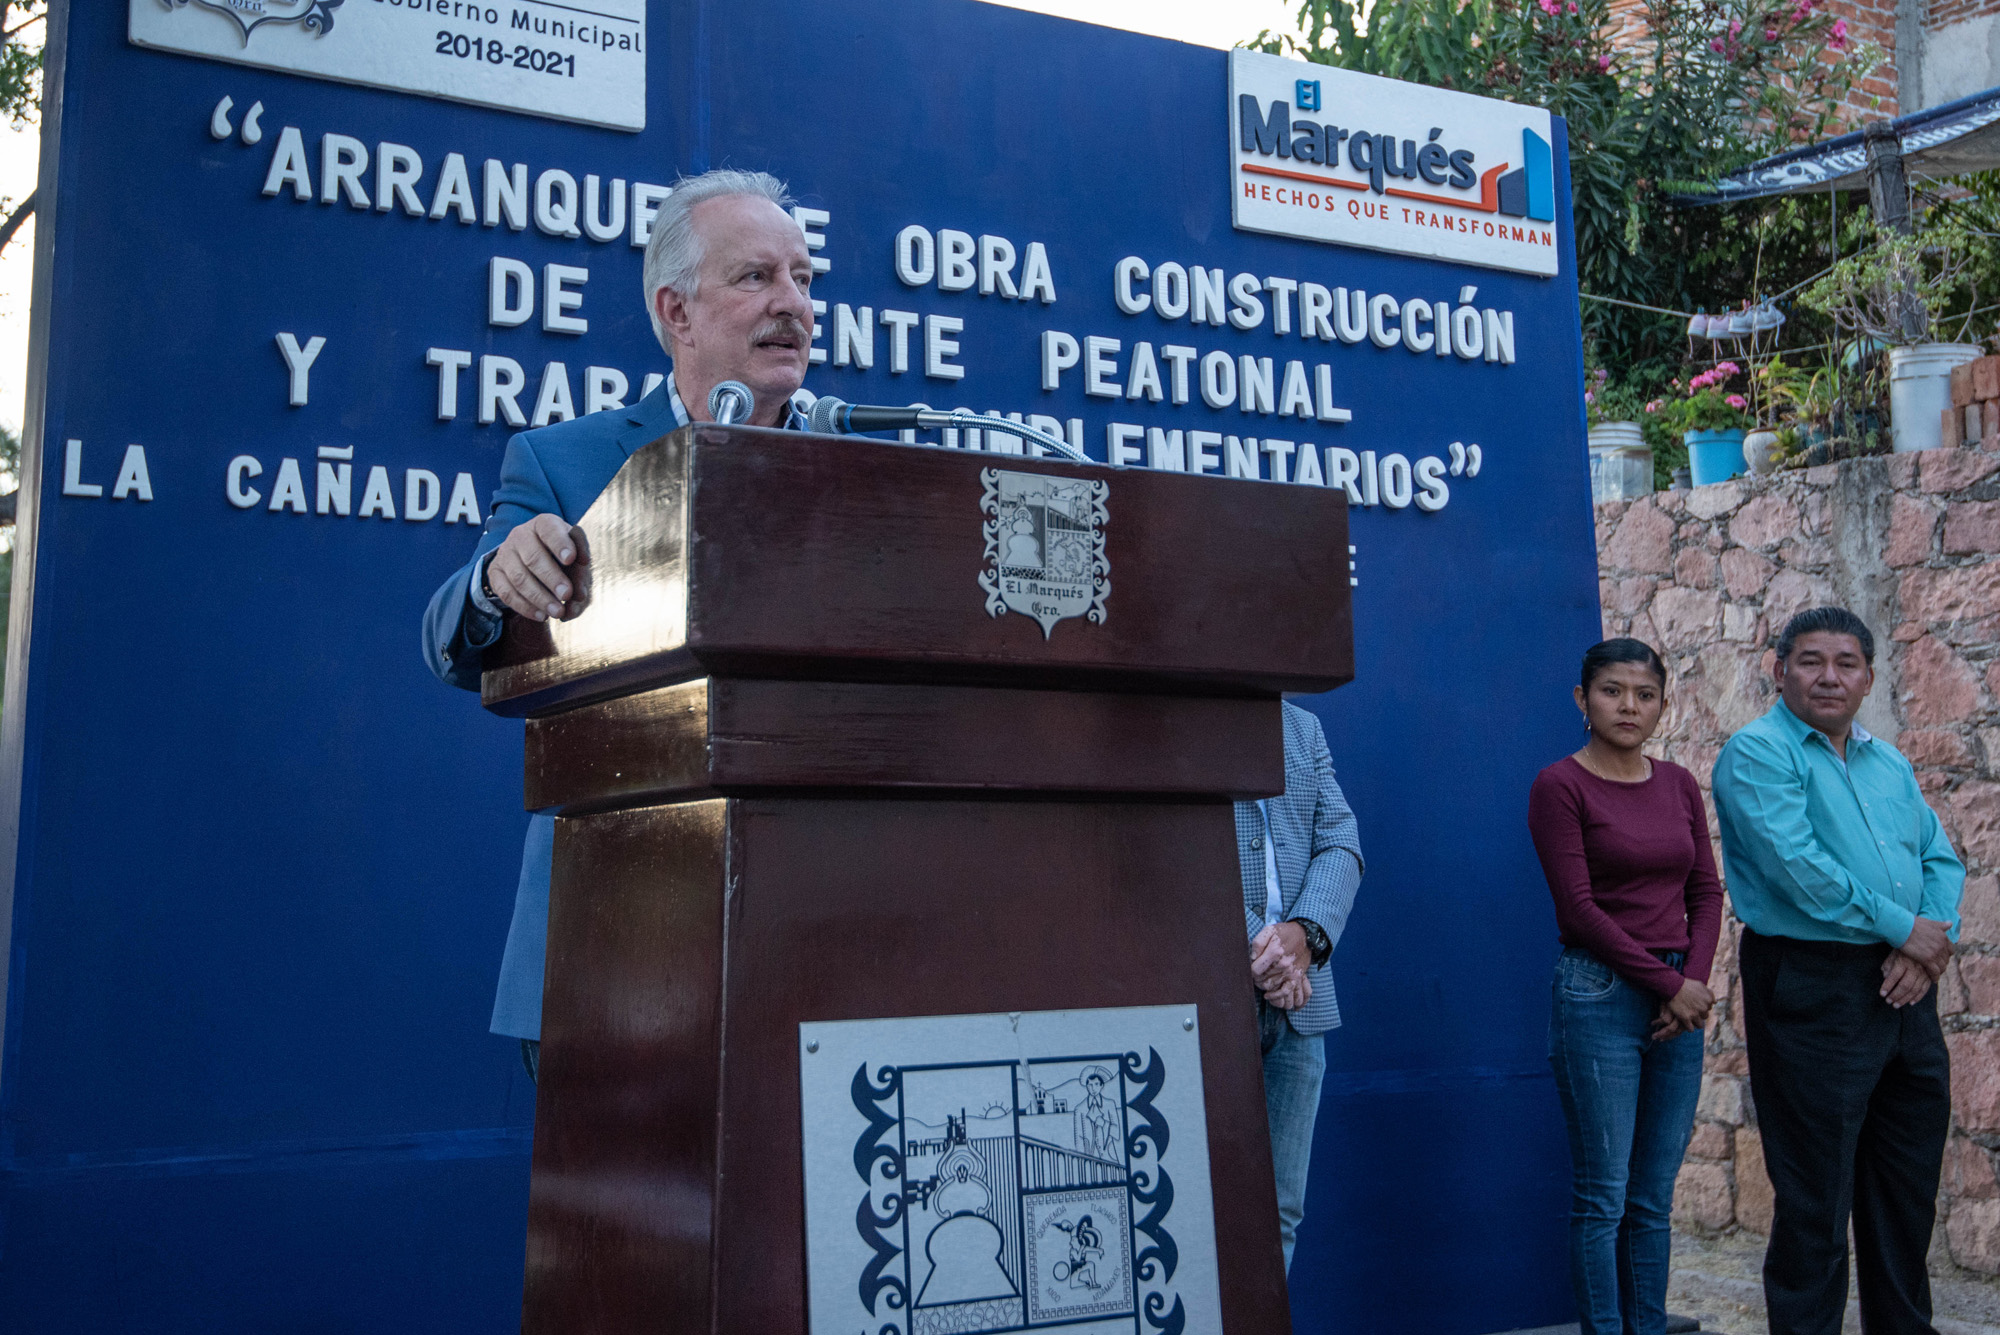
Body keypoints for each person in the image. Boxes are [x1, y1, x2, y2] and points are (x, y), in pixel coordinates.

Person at [420, 168, 818, 1078]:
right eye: (757, 277)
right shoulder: (565, 462)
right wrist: (496, 577)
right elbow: (449, 635)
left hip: (815, 936)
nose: (792, 302)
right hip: (612, 943)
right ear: (676, 311)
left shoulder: (864, 467)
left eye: (803, 277)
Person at [1712, 607, 1965, 1335]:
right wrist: (1905, 931)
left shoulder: (1890, 762)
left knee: (1904, 1189)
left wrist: (1925, 941)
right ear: (1780, 667)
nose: (1830, 676)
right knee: (1814, 1198)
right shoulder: (1757, 753)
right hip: (1810, 981)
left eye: (1846, 662)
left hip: (1904, 984)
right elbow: (1799, 873)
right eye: (1812, 660)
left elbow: (1941, 858)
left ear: (1869, 677)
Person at [1528, 638, 1724, 1335]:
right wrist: (1670, 982)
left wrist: (1691, 980)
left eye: (1644, 693)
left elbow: (1706, 886)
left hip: (1676, 993)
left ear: (1662, 704)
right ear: (1583, 700)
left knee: (1652, 1198)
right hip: (1599, 992)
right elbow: (1578, 909)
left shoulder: (1677, 783)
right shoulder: (1561, 785)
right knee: (1603, 1195)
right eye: (1612, 690)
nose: (1629, 705)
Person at [1237, 700, 1364, 1273]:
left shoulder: (1301, 725)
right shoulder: (1173, 713)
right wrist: (1260, 947)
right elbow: (1161, 848)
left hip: (1300, 1003)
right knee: (1203, 1205)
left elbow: (1342, 840)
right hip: (1211, 995)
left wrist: (1304, 936)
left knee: (1280, 1212)